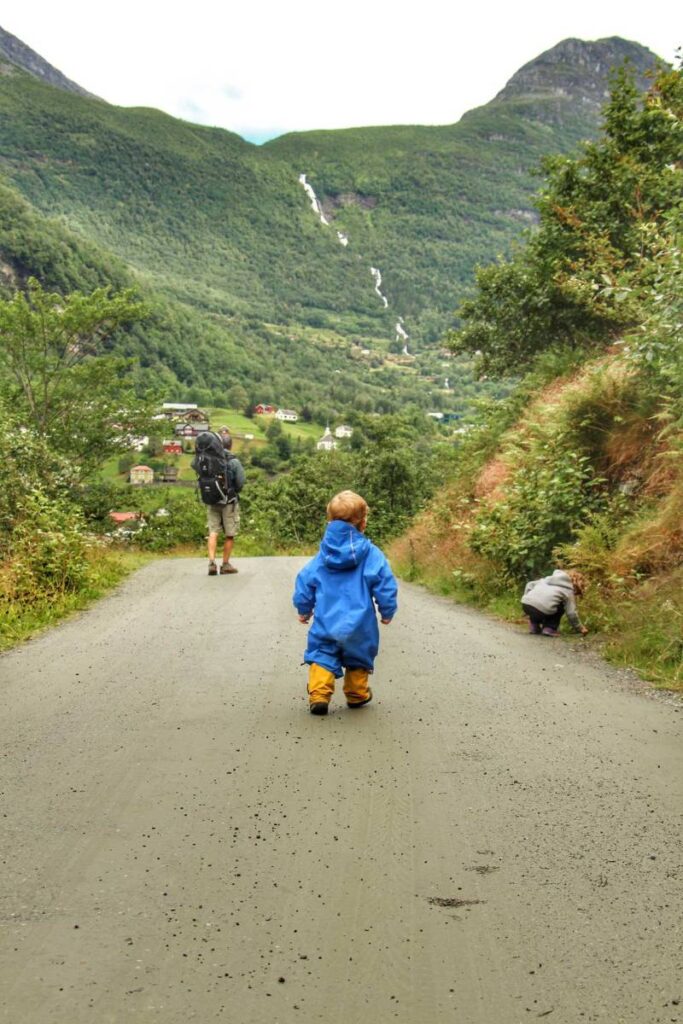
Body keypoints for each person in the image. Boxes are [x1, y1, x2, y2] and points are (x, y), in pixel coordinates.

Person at [292, 490, 398, 715]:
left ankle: (319, 694)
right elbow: (385, 583)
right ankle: (357, 693)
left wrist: (304, 608)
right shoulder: (371, 554)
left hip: (326, 621)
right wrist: (387, 610)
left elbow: (305, 580)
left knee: (321, 652)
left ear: (329, 521)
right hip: (360, 624)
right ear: (363, 523)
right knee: (359, 655)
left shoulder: (323, 556)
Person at [204, 428, 245, 576]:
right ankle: (225, 564)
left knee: (213, 531)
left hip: (212, 500)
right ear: (230, 445)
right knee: (229, 534)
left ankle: (211, 563)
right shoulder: (234, 461)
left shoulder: (209, 459)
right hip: (229, 502)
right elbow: (241, 482)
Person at [522, 568, 588, 637]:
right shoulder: (568, 590)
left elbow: (529, 585)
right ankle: (549, 628)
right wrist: (580, 628)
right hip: (543, 610)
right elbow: (571, 613)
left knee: (539, 605)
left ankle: (534, 626)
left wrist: (527, 599)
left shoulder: (547, 579)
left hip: (526, 605)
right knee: (560, 606)